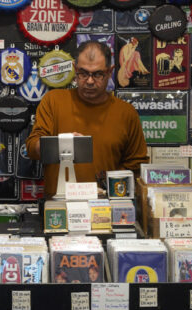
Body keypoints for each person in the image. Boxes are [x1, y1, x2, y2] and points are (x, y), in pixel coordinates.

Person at [26, 41, 149, 198]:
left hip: (105, 208)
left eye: (98, 74)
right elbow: (32, 148)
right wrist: (64, 144)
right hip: (59, 207)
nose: (90, 81)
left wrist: (107, 184)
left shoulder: (126, 112)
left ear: (110, 72)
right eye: (83, 73)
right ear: (75, 69)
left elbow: (137, 165)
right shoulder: (53, 101)